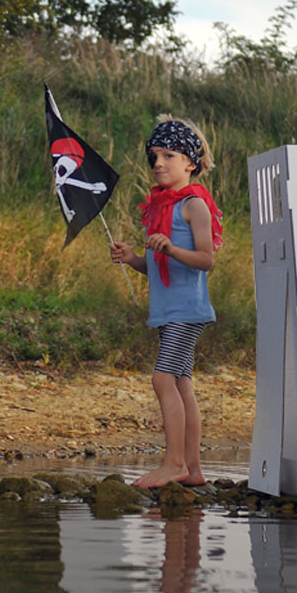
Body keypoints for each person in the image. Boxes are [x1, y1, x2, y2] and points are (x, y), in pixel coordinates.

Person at [110, 116, 223, 489]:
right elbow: (159, 269)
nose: (158, 163)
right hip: (168, 311)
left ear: (190, 162)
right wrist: (132, 259)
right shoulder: (158, 208)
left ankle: (173, 463)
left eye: (169, 155)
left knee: (162, 379)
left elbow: (205, 260)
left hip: (186, 311)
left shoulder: (193, 205)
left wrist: (172, 247)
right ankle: (192, 470)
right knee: (181, 383)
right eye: (154, 156)